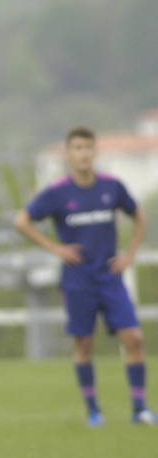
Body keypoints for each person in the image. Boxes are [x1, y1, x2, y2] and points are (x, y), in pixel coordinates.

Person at [14, 126, 157, 427]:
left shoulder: (111, 186)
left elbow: (138, 215)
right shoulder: (57, 192)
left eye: (88, 147)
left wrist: (130, 254)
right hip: (78, 279)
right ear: (69, 153)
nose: (83, 153)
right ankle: (93, 410)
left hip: (110, 276)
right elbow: (22, 221)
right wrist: (55, 248)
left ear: (95, 152)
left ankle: (139, 408)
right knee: (84, 344)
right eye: (77, 148)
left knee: (133, 337)